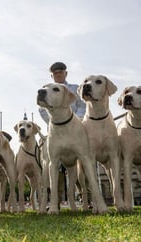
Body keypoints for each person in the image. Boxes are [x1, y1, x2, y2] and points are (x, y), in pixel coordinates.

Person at [38, 61, 86, 209]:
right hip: (55, 132)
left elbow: (82, 106)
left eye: (61, 72)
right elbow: (42, 109)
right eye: (55, 73)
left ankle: (85, 197)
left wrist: (74, 121)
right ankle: (55, 201)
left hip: (76, 131)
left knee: (83, 163)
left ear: (66, 73)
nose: (58, 75)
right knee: (53, 165)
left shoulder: (75, 89)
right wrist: (58, 121)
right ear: (52, 75)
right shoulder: (46, 89)